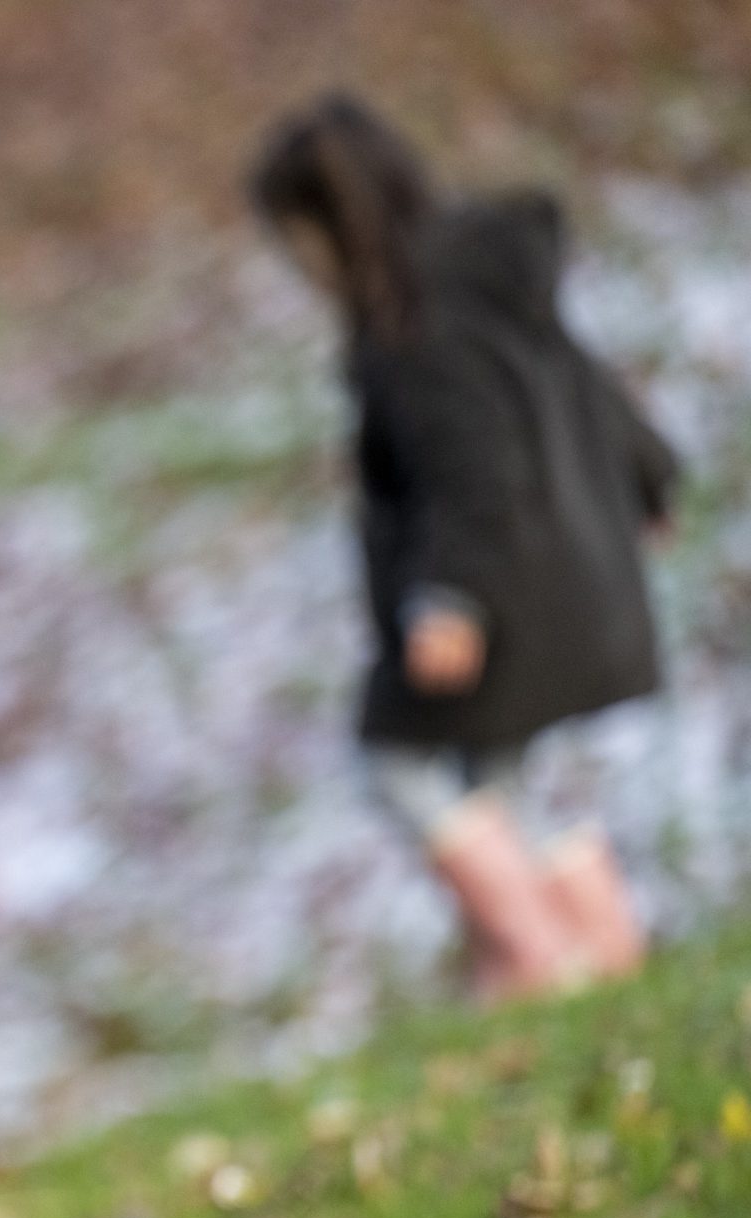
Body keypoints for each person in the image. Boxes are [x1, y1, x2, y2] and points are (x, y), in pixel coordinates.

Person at [250, 95, 680, 1001]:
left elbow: (473, 465)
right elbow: (584, 379)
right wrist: (650, 478)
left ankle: (543, 956)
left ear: (328, 225)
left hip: (503, 588)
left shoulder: (414, 322)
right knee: (502, 770)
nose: (297, 265)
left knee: (397, 757)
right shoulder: (487, 275)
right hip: (568, 578)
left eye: (295, 239)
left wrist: (450, 598)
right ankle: (601, 955)